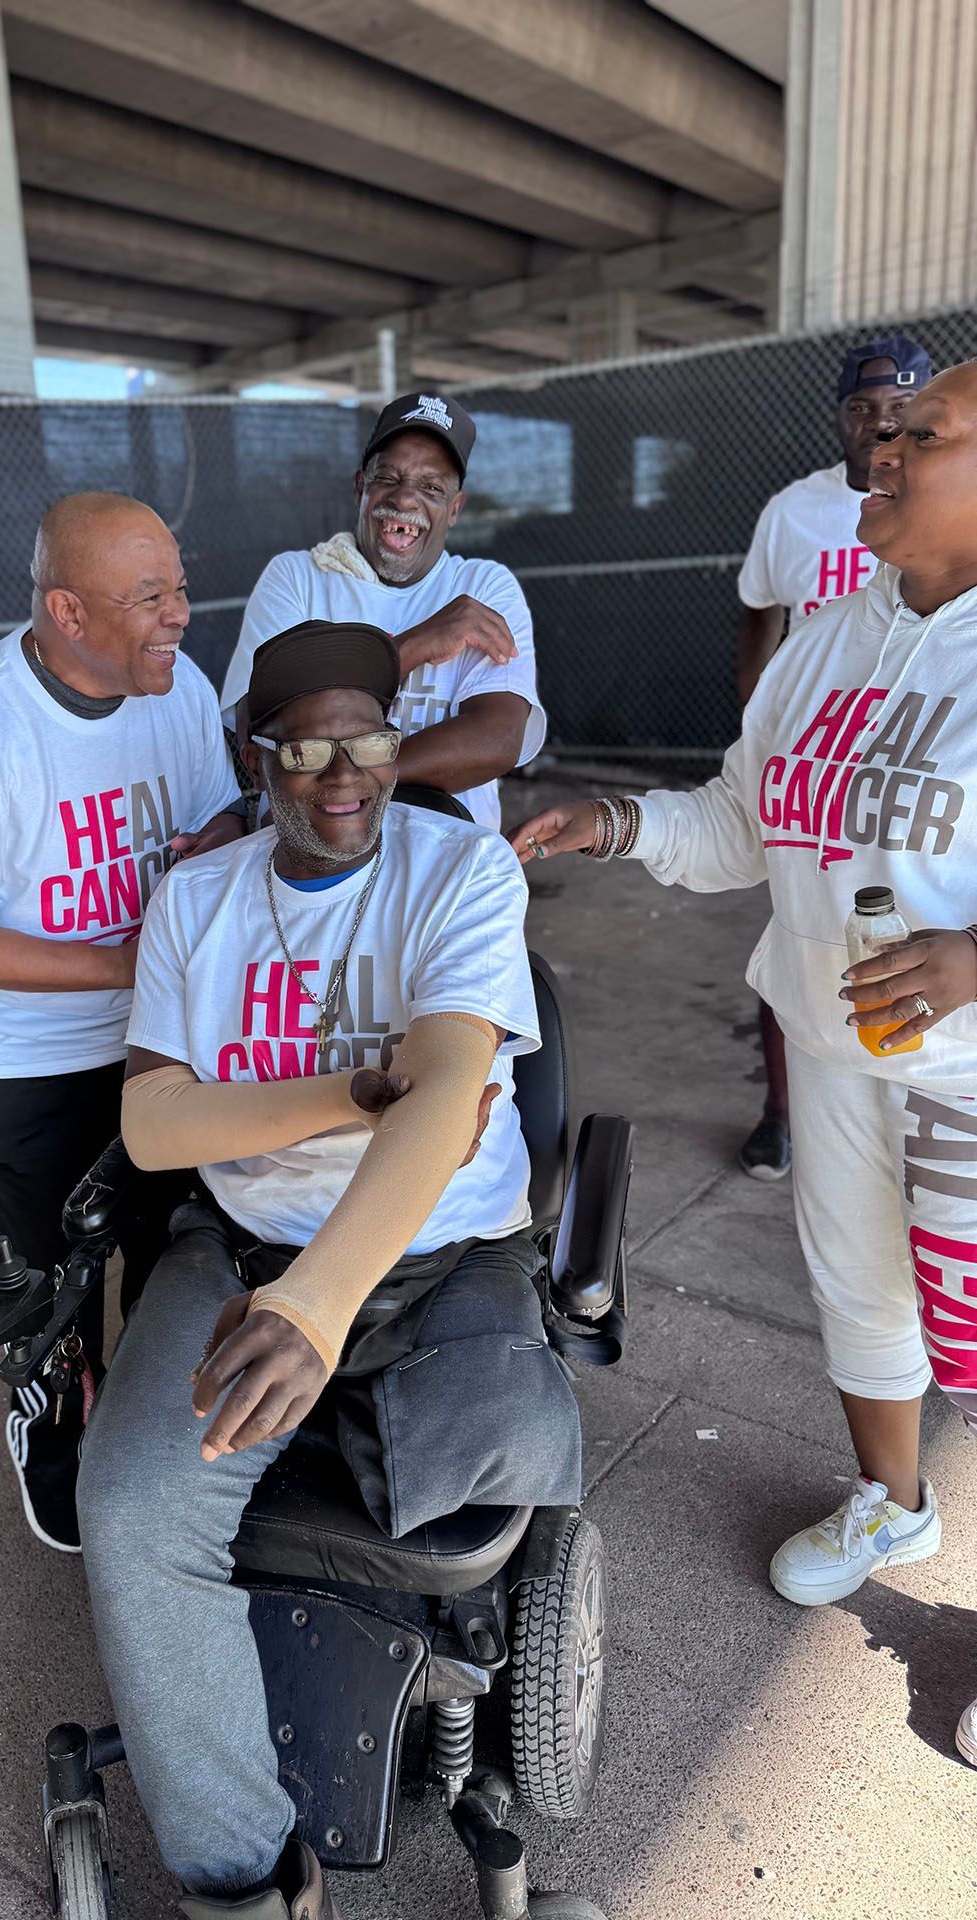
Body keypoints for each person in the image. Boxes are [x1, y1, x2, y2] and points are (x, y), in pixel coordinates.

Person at [508, 361, 977, 1767]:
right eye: (883, 432)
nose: (883, 452)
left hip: (967, 1071)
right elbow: (736, 823)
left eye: (925, 434)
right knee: (857, 1294)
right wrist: (609, 824)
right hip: (837, 1046)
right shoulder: (827, 637)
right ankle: (895, 1505)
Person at [77, 621, 581, 1915]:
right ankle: (249, 1884)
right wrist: (346, 1093)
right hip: (244, 1241)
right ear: (259, 757)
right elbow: (156, 1125)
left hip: (444, 1246)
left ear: (396, 741)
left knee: (478, 1489)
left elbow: (453, 1091)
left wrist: (318, 1300)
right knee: (132, 1510)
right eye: (302, 745)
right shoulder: (198, 898)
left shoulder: (461, 870)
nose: (337, 772)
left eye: (363, 738)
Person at [0, 493, 244, 1552]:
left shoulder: (175, 685)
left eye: (179, 583)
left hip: (161, 1039)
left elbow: (219, 808)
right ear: (68, 613)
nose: (180, 612)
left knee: (170, 1251)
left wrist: (200, 856)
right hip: (21, 1060)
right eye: (149, 596)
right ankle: (54, 1438)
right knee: (55, 1284)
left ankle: (145, 1440)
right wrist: (121, 962)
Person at [734, 334, 933, 1181]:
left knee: (906, 936)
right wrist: (759, 728)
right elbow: (757, 614)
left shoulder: (944, 521)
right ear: (842, 418)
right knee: (796, 932)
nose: (880, 431)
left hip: (912, 771)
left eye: (902, 416)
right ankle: (782, 1111)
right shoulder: (795, 512)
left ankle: (907, 1113)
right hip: (817, 771)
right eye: (863, 411)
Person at [218, 392, 544, 829]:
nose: (405, 499)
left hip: (445, 861)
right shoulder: (298, 576)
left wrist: (334, 777)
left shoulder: (482, 587)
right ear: (361, 488)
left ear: (454, 509)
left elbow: (497, 740)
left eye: (431, 487)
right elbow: (260, 726)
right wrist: (413, 645)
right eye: (388, 478)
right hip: (304, 862)